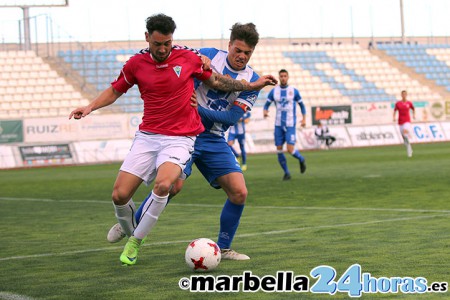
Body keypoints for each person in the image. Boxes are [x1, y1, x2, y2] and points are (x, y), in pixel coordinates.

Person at [70, 14, 276, 266]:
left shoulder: (251, 79)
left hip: (211, 138)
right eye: (238, 49)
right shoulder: (207, 54)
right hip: (183, 132)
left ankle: (223, 247)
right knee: (171, 187)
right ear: (230, 44)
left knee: (239, 192)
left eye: (247, 52)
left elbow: (232, 117)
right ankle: (132, 225)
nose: (242, 56)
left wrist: (199, 108)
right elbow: (174, 61)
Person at [263, 69, 307, 181]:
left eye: (285, 76)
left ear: (288, 77)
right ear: (279, 77)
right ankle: (287, 173)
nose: (283, 78)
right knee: (278, 149)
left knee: (290, 149)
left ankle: (301, 159)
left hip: (290, 124)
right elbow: (267, 104)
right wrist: (265, 111)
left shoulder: (294, 91)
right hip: (278, 125)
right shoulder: (274, 91)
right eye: (281, 76)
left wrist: (304, 119)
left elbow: (302, 106)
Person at [393, 90, 415, 157]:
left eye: (405, 94)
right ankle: (409, 148)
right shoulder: (398, 103)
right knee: (404, 138)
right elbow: (395, 110)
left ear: (406, 95)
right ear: (401, 95)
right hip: (400, 122)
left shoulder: (409, 103)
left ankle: (410, 135)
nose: (404, 95)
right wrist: (394, 117)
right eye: (403, 94)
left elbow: (413, 108)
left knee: (405, 133)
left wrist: (414, 115)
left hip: (407, 121)